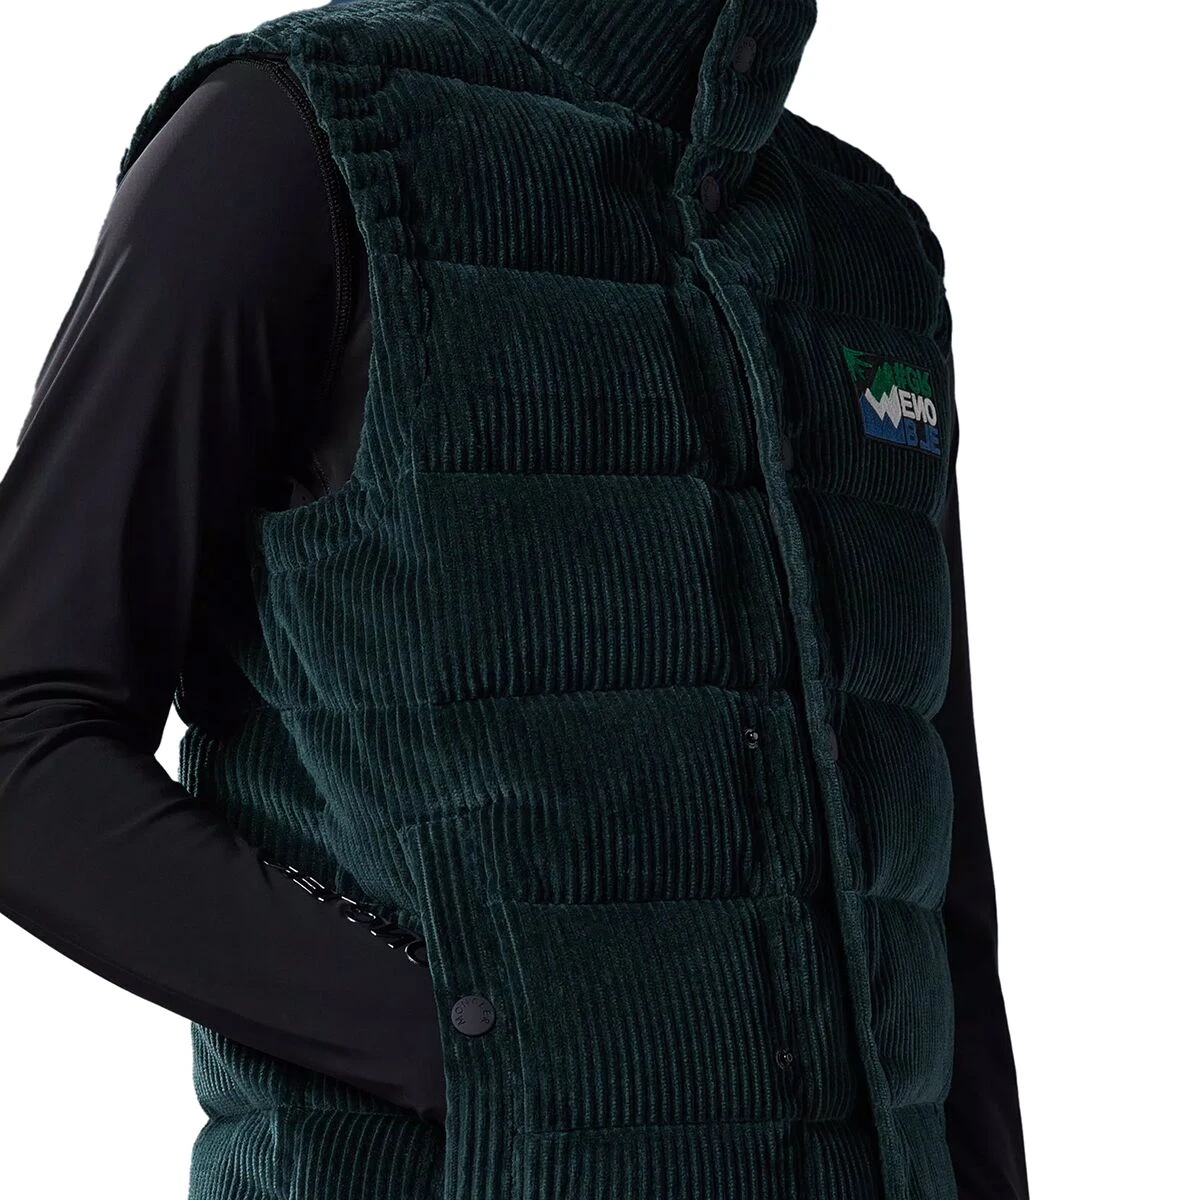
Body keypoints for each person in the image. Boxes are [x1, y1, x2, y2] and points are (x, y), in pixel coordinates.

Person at [0, 1, 1030, 1197]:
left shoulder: (866, 245)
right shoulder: (292, 142)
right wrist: (459, 1042)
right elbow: (24, 734)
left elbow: (932, 873)